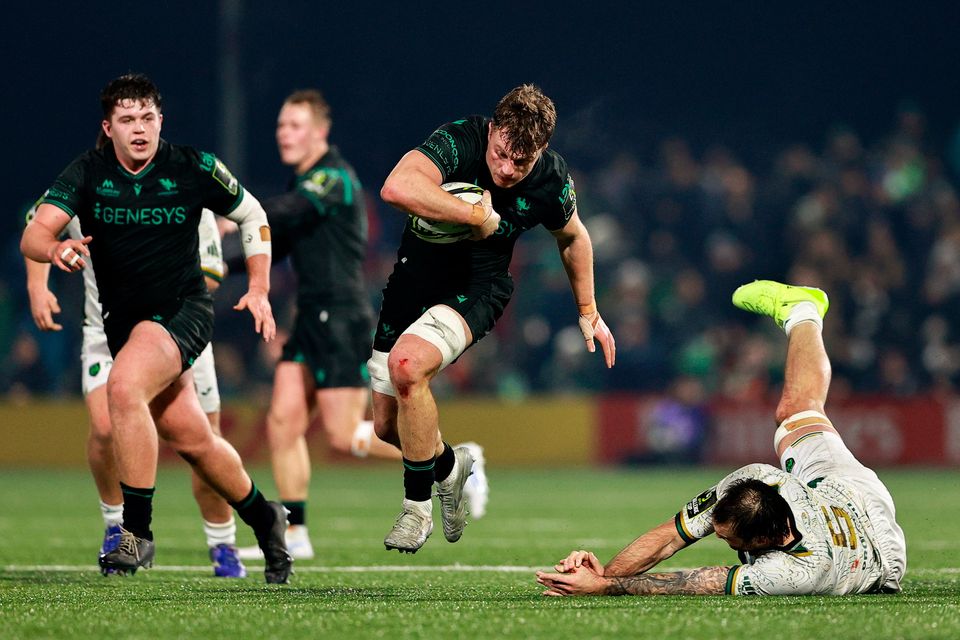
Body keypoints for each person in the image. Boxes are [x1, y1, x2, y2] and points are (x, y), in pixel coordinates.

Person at [20, 73, 291, 583]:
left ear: (160, 120)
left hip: (183, 312)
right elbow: (35, 232)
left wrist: (258, 286)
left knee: (122, 389)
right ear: (109, 126)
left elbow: (253, 214)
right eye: (127, 120)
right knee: (193, 439)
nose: (139, 128)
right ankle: (264, 515)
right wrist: (55, 250)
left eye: (147, 117)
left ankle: (136, 533)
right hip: (122, 325)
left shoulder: (192, 166)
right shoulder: (86, 173)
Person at [231, 90, 489, 561]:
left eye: (294, 125)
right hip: (310, 316)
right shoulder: (305, 181)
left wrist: (236, 213)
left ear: (320, 132)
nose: (283, 134)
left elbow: (284, 214)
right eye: (280, 126)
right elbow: (277, 245)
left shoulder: (332, 178)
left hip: (341, 315)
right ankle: (296, 532)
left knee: (347, 433)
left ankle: (451, 458)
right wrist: (217, 267)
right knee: (283, 422)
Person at [536, 280, 907, 596]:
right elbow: (670, 537)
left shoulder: (793, 572)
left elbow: (696, 581)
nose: (715, 535)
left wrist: (608, 587)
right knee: (794, 413)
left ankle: (805, 313)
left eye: (730, 541)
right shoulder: (759, 479)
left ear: (762, 544)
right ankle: (802, 310)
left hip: (881, 552)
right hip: (846, 490)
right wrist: (605, 575)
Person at [373, 84, 616, 553]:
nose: (506, 170)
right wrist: (472, 214)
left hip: (476, 290)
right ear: (493, 129)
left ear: (541, 150)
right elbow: (396, 187)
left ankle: (416, 510)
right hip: (409, 285)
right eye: (502, 154)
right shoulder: (459, 139)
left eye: (520, 162)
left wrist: (588, 309)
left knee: (407, 366)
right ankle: (451, 466)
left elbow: (574, 237)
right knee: (387, 426)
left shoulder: (551, 178)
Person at [25, 197, 247, 578]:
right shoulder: (84, 186)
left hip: (180, 333)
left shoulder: (184, 188)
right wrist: (37, 286)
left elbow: (211, 274)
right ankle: (117, 527)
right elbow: (36, 228)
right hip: (106, 334)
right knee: (105, 429)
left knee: (200, 443)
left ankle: (223, 542)